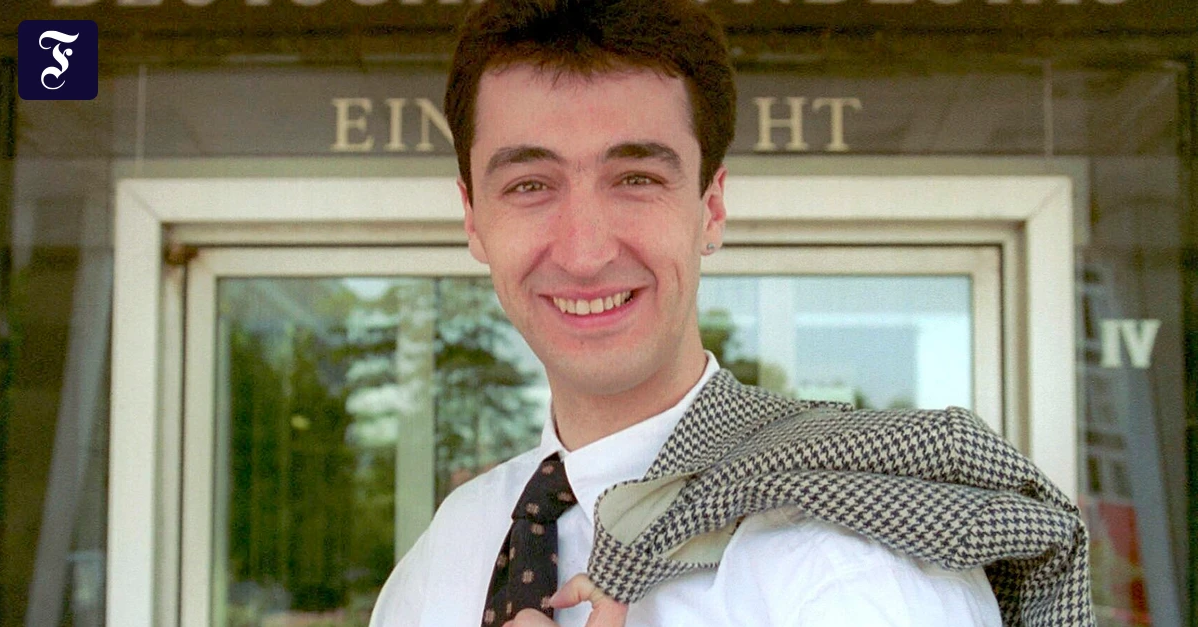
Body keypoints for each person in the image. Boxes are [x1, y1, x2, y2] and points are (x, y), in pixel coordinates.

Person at [369, 1, 1088, 626]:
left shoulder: (854, 564)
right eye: (530, 185)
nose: (585, 253)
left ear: (710, 208)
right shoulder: (450, 550)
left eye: (636, 178)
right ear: (473, 218)